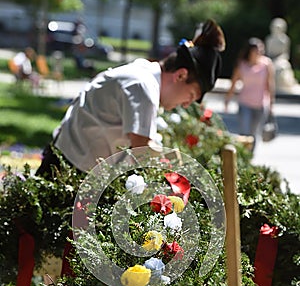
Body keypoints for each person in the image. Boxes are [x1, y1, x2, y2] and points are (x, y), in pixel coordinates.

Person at [36, 19, 225, 178]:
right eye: (191, 96)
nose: (186, 104)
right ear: (181, 75)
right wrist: (179, 163)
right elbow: (141, 152)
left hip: (68, 164)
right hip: (65, 172)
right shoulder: (144, 86)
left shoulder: (144, 73)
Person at [224, 38, 275, 151]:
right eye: (257, 50)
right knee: (244, 132)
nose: (259, 52)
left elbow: (269, 85)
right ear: (250, 51)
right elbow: (233, 82)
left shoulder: (266, 64)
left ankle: (250, 157)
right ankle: (242, 156)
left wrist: (271, 104)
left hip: (261, 104)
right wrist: (227, 99)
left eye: (261, 49)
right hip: (245, 103)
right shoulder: (242, 65)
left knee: (253, 134)